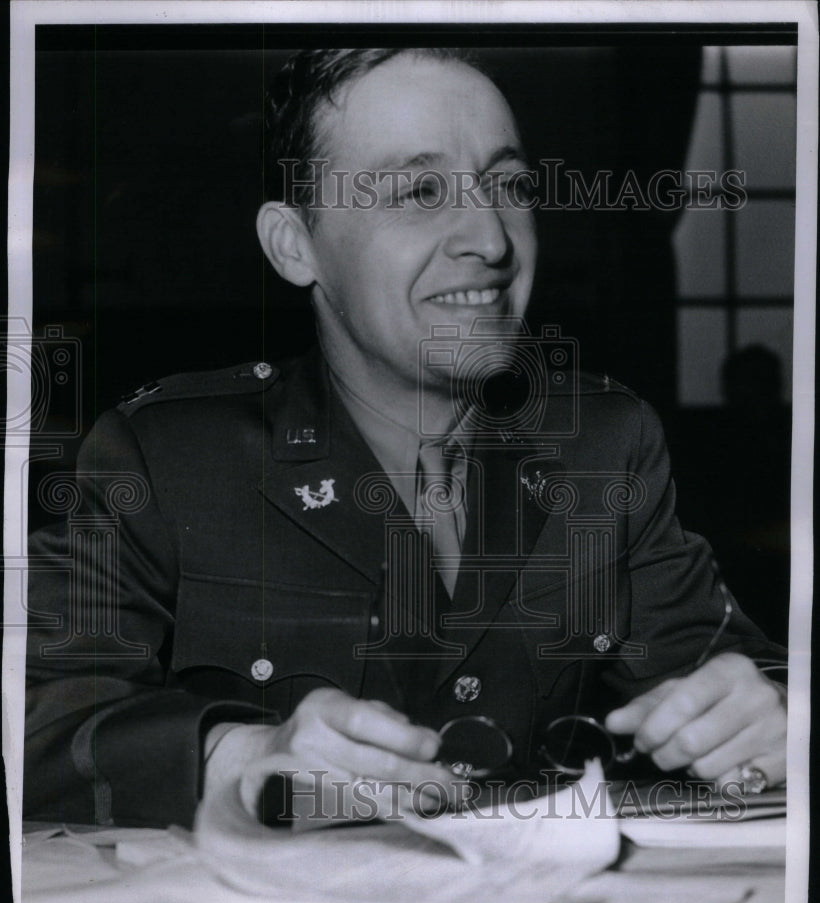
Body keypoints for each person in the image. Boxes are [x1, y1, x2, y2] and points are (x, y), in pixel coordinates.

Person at [24, 47, 787, 831]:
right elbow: (33, 711)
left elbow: (734, 671)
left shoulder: (604, 443)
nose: (491, 240)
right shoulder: (168, 455)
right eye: (420, 191)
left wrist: (775, 718)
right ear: (296, 245)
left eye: (509, 185)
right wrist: (236, 757)